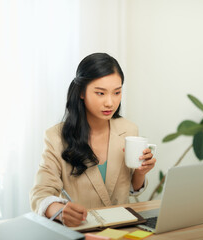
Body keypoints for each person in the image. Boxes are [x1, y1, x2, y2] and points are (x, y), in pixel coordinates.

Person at [30, 53, 156, 227]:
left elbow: (131, 189)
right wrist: (60, 212)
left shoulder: (129, 129)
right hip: (81, 230)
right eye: (100, 93)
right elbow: (40, 194)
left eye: (117, 92)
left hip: (124, 228)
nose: (110, 103)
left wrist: (141, 172)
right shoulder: (56, 137)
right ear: (82, 92)